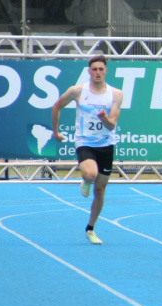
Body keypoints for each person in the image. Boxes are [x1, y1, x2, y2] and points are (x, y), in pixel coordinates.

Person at [51, 55, 124, 245]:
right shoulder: (78, 91)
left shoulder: (116, 94)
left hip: (106, 145)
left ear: (106, 71)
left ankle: (90, 229)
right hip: (85, 142)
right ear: (89, 71)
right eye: (94, 69)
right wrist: (56, 132)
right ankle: (85, 179)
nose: (98, 72)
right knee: (91, 174)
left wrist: (104, 118)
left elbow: (112, 125)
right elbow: (56, 106)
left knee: (100, 190)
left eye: (101, 69)